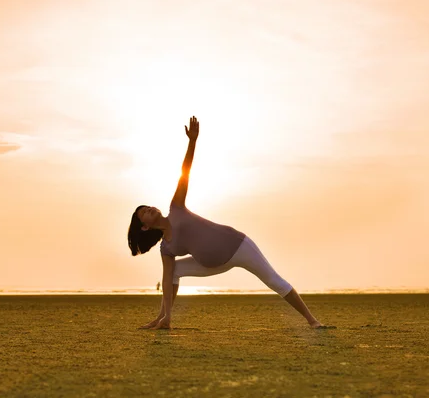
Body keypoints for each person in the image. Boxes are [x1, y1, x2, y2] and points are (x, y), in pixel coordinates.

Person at [127, 116, 334, 330]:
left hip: (239, 246)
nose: (149, 209)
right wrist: (167, 313)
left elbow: (185, 173)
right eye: (144, 213)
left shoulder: (176, 208)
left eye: (147, 207)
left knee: (274, 281)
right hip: (215, 264)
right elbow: (167, 283)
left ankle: (313, 321)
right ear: (145, 227)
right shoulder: (167, 248)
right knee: (173, 272)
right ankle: (164, 320)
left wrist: (192, 141)